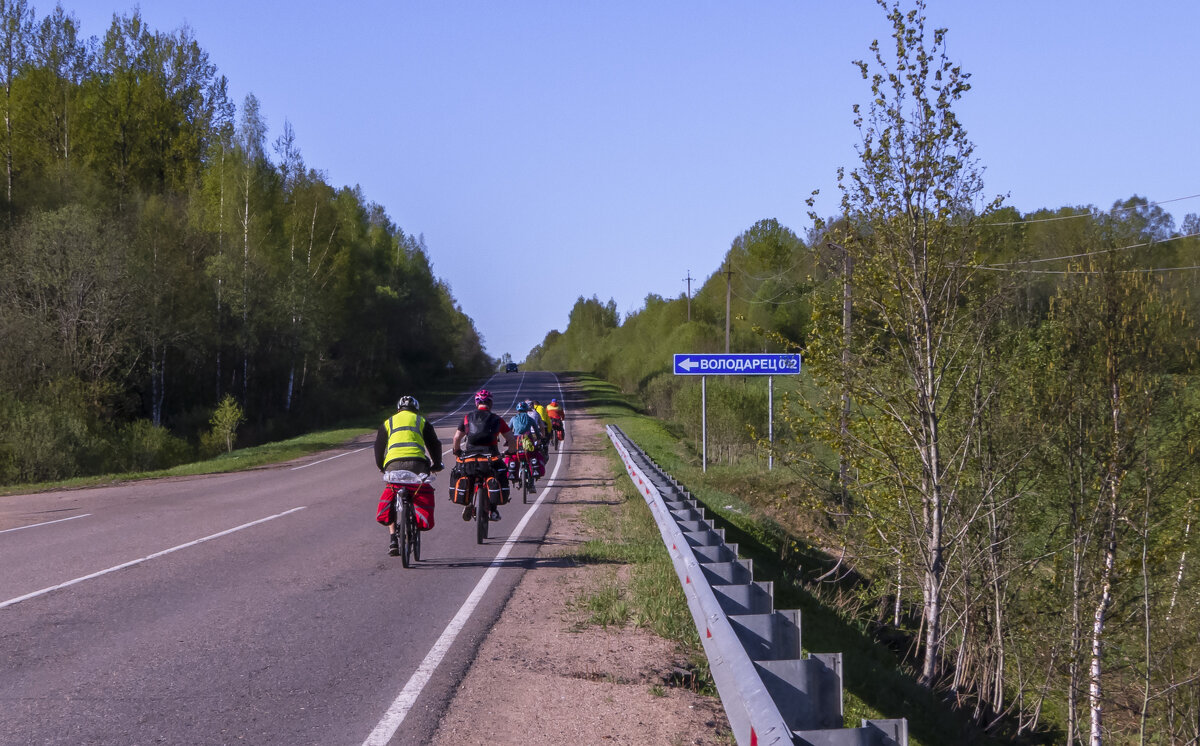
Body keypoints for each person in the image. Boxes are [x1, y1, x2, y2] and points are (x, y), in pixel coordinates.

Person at [374, 395, 443, 556]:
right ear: (416, 409)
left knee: (392, 493)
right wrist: (437, 464)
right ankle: (415, 520)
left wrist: (382, 466)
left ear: (398, 409)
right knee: (417, 489)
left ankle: (393, 539)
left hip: (393, 464)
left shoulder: (388, 422)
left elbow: (378, 447)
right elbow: (434, 444)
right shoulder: (421, 421)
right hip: (418, 464)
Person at [451, 389, 516, 521]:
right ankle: (492, 509)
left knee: (466, 475)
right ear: (490, 404)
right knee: (497, 475)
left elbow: (456, 438)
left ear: (476, 403)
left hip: (470, 459)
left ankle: (468, 502)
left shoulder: (467, 417)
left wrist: (457, 451)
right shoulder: (498, 419)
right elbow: (511, 439)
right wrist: (510, 451)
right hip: (490, 459)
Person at [505, 401, 544, 479]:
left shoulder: (513, 419)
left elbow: (508, 430)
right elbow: (536, 431)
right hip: (528, 441)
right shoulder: (530, 419)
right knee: (533, 454)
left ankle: (513, 473)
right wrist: (539, 440)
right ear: (527, 410)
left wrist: (508, 441)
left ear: (517, 410)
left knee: (512, 455)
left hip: (516, 442)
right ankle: (534, 472)